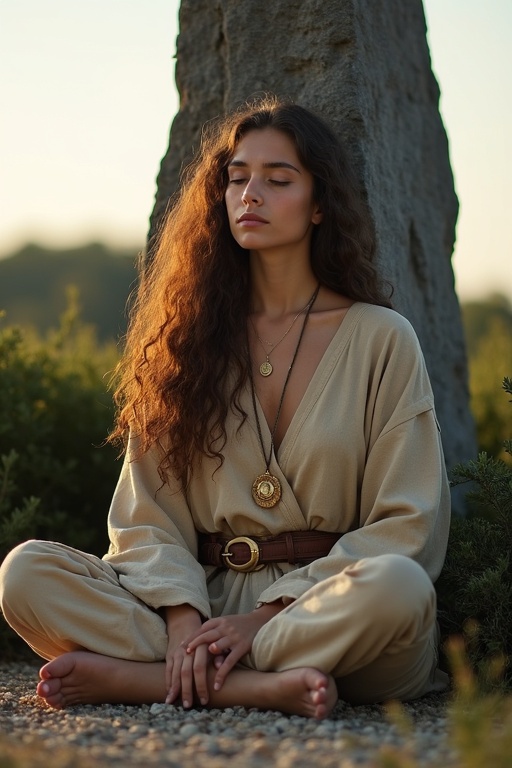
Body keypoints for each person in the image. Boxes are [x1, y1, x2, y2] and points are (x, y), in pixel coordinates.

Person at [0, 96, 450, 719]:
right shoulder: (189, 340)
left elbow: (409, 526)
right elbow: (145, 517)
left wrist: (263, 620)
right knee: (25, 574)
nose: (251, 194)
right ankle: (257, 686)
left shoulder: (381, 338)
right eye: (237, 178)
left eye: (278, 179)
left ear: (321, 204)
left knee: (400, 588)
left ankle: (145, 679)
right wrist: (185, 620)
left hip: (323, 609)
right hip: (201, 609)